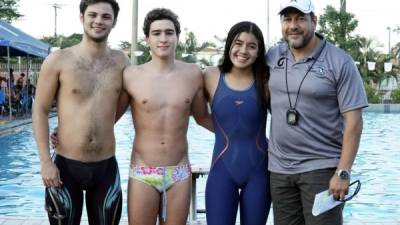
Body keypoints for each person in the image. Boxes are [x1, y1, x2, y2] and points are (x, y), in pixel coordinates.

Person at [266, 0, 368, 224]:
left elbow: (354, 122)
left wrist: (343, 172)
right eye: (287, 19)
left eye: (300, 19)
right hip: (279, 171)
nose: (293, 25)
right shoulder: (273, 57)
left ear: (314, 21)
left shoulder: (340, 61)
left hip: (321, 169)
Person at [32, 1, 130, 225]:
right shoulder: (59, 60)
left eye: (106, 16)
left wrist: (93, 126)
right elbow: (40, 109)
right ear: (81, 18)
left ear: (114, 21)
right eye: (92, 15)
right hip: (66, 167)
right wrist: (46, 161)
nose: (98, 21)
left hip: (105, 167)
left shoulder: (121, 62)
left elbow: (122, 104)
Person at [118, 8, 212, 225]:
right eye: (157, 33)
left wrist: (241, 132)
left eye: (169, 32)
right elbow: (110, 118)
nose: (163, 38)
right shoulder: (131, 75)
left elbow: (202, 117)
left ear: (177, 37)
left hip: (178, 171)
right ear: (147, 39)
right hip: (143, 170)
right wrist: (67, 133)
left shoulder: (193, 74)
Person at [202, 21, 271, 225]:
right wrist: (230, 134)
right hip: (222, 169)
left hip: (259, 171)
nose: (243, 50)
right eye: (238, 43)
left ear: (259, 52)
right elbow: (199, 116)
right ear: (229, 45)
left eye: (251, 46)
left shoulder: (266, 80)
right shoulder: (211, 76)